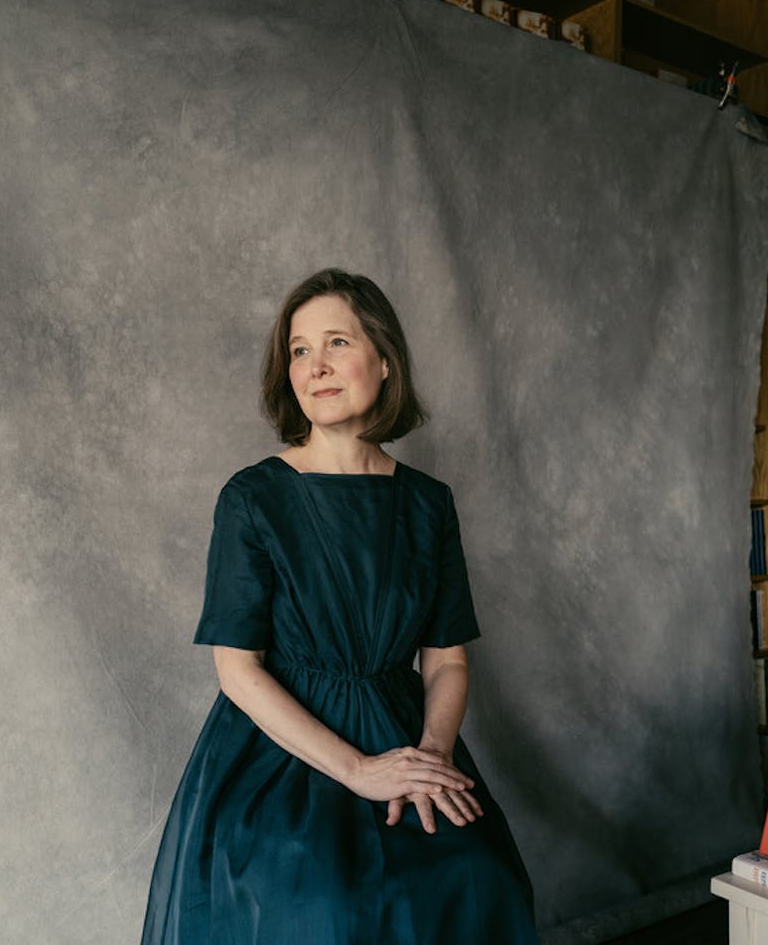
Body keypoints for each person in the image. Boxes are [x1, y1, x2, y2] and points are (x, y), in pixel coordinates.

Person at [142, 269, 540, 943]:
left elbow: (445, 660)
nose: (315, 365)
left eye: (336, 342)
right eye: (299, 350)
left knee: (483, 877)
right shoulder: (252, 497)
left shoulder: (427, 502)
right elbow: (238, 671)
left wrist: (429, 759)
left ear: (384, 362)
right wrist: (359, 771)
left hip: (405, 731)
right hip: (282, 755)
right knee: (326, 905)